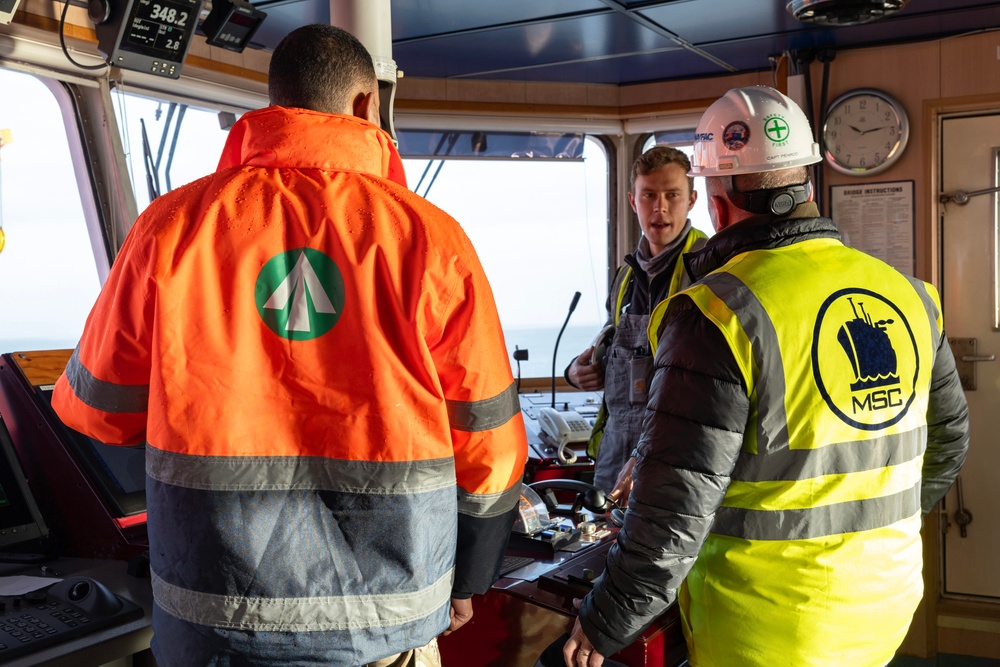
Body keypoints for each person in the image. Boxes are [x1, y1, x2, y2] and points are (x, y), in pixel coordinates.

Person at [51, 24, 528, 667]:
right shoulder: (432, 240)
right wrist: (469, 571)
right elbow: (488, 441)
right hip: (384, 624)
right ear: (366, 106)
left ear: (273, 107)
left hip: (211, 617)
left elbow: (95, 410)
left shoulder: (169, 229)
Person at [564, 85, 970, 667]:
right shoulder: (911, 296)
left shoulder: (715, 313)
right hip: (886, 603)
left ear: (715, 201)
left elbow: (675, 504)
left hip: (764, 624)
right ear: (806, 181)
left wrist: (607, 619)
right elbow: (949, 444)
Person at [564, 145, 707, 494]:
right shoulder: (625, 275)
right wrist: (576, 372)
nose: (660, 207)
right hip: (615, 450)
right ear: (632, 201)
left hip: (674, 451)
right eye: (649, 195)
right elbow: (608, 345)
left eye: (672, 194)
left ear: (691, 200)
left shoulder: (709, 268)